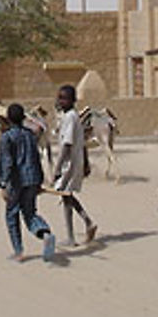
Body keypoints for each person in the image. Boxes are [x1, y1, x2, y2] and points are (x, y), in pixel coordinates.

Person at [0, 103, 56, 262]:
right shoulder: (30, 135)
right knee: (30, 213)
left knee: (11, 214)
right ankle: (45, 233)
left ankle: (19, 251)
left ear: (8, 119)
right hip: (32, 179)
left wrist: (3, 184)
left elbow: (7, 163)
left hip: (16, 182)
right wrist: (39, 181)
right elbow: (36, 157)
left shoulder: (7, 137)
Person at [52, 84, 98, 245]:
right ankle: (87, 223)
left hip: (69, 164)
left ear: (72, 100)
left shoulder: (71, 117)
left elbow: (67, 145)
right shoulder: (67, 116)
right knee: (67, 196)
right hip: (70, 163)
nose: (61, 101)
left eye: (64, 98)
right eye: (60, 97)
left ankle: (74, 235)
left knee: (66, 195)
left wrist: (57, 168)